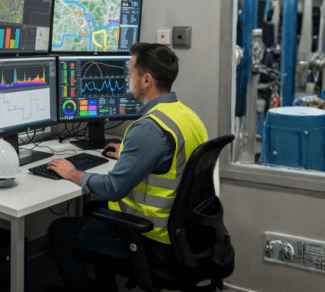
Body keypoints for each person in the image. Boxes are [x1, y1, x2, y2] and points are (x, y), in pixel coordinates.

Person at [45, 42, 209, 292]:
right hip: (187, 235)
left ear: (146, 80)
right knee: (93, 209)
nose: (125, 79)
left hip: (153, 239)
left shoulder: (148, 129)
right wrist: (135, 156)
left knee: (58, 231)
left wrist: (72, 173)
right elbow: (174, 160)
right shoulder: (186, 116)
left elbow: (112, 189)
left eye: (129, 73)